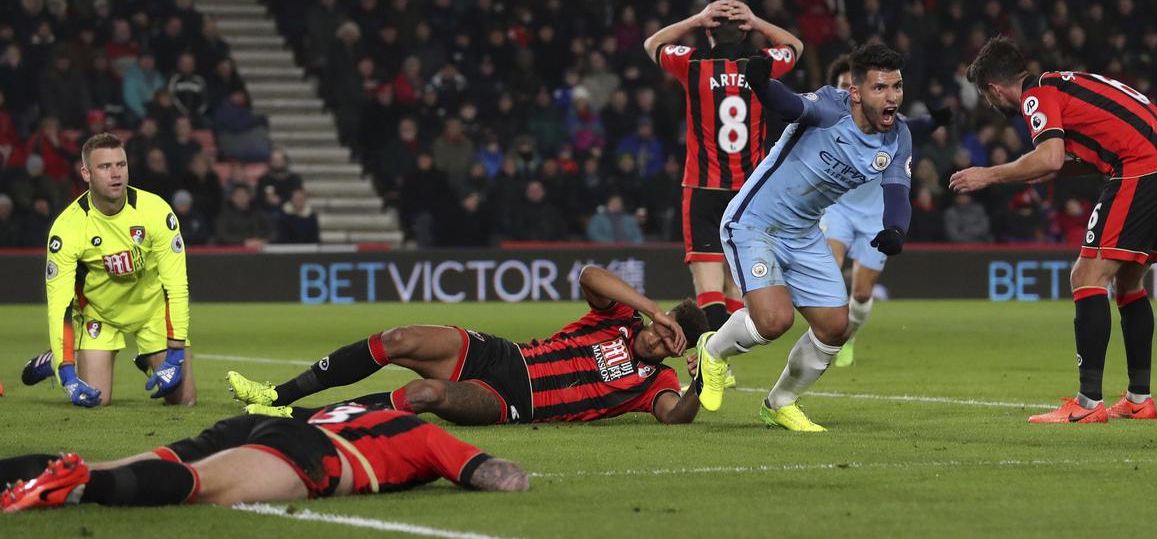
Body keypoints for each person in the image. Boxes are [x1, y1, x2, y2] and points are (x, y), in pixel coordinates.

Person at [951, 36, 1157, 423]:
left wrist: (990, 174)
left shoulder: (1036, 95)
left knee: (1086, 275)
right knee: (1129, 284)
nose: (991, 105)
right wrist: (1031, 171)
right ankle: (1138, 399)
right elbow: (1061, 160)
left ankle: (1087, 403)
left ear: (995, 89)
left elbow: (1049, 156)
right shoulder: (1065, 83)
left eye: (987, 97)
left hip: (1142, 168)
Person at [692, 43, 913, 432]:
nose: (892, 97)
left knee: (834, 328)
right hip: (754, 222)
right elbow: (791, 105)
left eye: (896, 87)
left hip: (805, 232)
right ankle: (712, 352)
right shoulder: (831, 108)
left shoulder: (899, 137)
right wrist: (761, 84)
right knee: (773, 320)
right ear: (856, 92)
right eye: (881, 88)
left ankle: (780, 403)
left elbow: (897, 190)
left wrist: (896, 229)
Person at [227, 266, 707, 426]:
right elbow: (588, 275)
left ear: (673, 351)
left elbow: (673, 415)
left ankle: (298, 419)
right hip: (505, 354)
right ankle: (276, 395)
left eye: (669, 341)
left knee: (428, 396)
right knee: (399, 339)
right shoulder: (620, 316)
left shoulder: (656, 381)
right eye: (661, 327)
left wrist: (701, 379)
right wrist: (653, 306)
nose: (658, 339)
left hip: (517, 401)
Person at [0, 402, 527, 512]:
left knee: (116, 462)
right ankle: (75, 488)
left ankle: (57, 476)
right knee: (199, 485)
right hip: (312, 453)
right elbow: (500, 478)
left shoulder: (363, 409)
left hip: (276, 425)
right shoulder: (430, 439)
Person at [643, 0, 800, 343]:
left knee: (707, 285)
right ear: (743, 32)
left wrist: (696, 18)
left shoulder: (692, 62)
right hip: (749, 191)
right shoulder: (762, 64)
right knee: (734, 282)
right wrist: (757, 21)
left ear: (709, 32)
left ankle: (714, 362)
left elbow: (652, 43)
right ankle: (723, 355)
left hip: (703, 187)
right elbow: (795, 47)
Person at [19, 133, 196, 407]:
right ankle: (58, 357)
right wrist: (66, 373)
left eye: (121, 165)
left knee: (183, 399)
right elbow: (60, 305)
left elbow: (176, 286)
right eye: (104, 167)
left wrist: (175, 355)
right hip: (100, 314)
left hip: (152, 311)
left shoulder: (156, 211)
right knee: (96, 400)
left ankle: (151, 357)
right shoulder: (67, 229)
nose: (116, 174)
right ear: (86, 173)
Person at [819, 55, 950, 367]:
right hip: (837, 209)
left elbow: (913, 126)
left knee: (862, 293)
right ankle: (824, 335)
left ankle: (848, 336)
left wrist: (935, 120)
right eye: (841, 85)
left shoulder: (885, 121)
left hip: (874, 215)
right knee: (828, 268)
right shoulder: (826, 117)